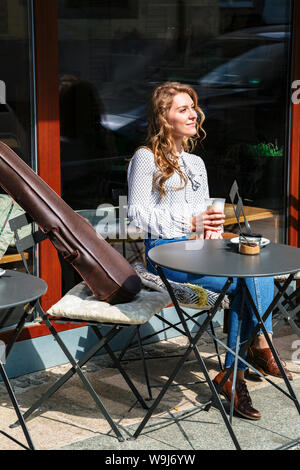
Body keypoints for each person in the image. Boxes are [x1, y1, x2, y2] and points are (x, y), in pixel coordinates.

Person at [127, 81, 292, 420]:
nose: (193, 114)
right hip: (164, 254)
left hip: (202, 248)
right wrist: (191, 221)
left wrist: (212, 227)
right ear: (163, 117)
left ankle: (233, 375)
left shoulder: (196, 163)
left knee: (256, 269)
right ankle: (257, 352)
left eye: (193, 107)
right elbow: (137, 216)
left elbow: (204, 216)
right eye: (183, 109)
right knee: (243, 284)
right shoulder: (145, 159)